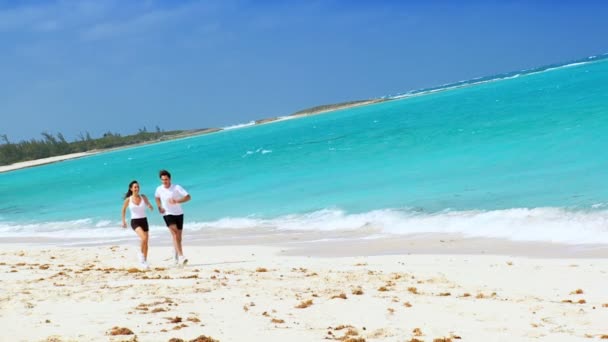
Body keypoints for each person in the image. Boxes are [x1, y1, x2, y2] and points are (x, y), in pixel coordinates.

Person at [155, 170, 191, 266]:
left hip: (179, 213)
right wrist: (159, 207)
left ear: (170, 179)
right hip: (167, 214)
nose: (164, 181)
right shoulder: (159, 189)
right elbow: (157, 197)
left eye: (166, 179)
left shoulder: (176, 187)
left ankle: (175, 256)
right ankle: (181, 256)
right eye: (162, 180)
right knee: (175, 234)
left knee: (178, 237)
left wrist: (177, 201)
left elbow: (188, 197)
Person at [121, 180, 154, 269]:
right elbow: (123, 210)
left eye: (138, 187)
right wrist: (123, 221)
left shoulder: (143, 197)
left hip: (144, 220)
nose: (137, 188)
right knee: (143, 237)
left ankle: (144, 262)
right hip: (135, 221)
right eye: (135, 187)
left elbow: (148, 204)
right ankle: (140, 254)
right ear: (131, 189)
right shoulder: (129, 199)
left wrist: (150, 206)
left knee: (146, 242)